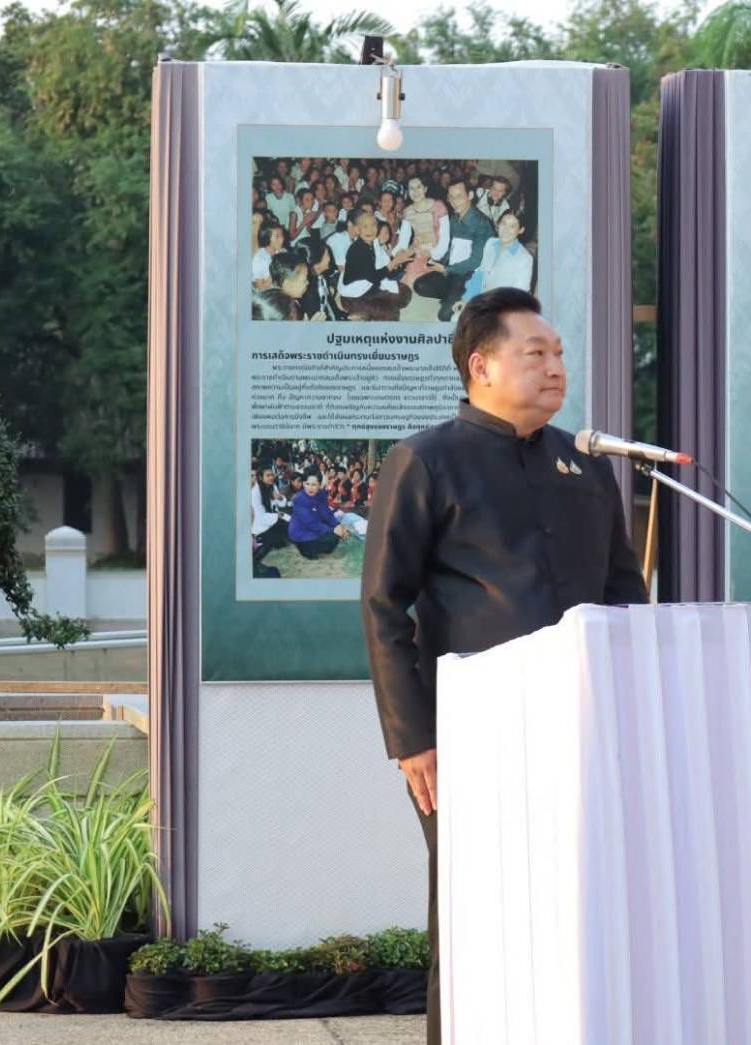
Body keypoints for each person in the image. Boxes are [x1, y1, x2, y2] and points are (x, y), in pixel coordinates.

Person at [362, 287, 647, 1045]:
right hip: (469, 734)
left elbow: (623, 592)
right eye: (536, 354)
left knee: (574, 907)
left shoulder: (583, 466)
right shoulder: (425, 460)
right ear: (480, 364)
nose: (556, 368)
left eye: (558, 354)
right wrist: (412, 738)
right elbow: (383, 606)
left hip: (581, 727)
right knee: (473, 913)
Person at [415, 182, 496, 321]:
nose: (454, 201)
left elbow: (476, 261)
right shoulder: (454, 218)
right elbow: (450, 247)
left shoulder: (480, 222)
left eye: (458, 196)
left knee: (445, 315)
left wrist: (447, 269)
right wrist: (437, 260)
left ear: (470, 196)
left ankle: (464, 297)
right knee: (420, 286)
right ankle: (453, 296)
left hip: (468, 276)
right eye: (451, 197)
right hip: (451, 272)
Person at [341, 212, 414, 321]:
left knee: (405, 293)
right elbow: (374, 277)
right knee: (392, 314)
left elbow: (383, 269)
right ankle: (359, 311)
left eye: (373, 225)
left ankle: (372, 310)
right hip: (354, 296)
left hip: (371, 286)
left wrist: (397, 264)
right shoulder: (358, 249)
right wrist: (394, 263)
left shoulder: (373, 243)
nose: (370, 230)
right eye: (365, 226)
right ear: (357, 229)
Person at [463, 211, 535, 302]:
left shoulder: (525, 259)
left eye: (512, 226)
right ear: (498, 224)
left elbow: (518, 297)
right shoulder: (490, 243)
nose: (505, 230)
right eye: (503, 223)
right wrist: (466, 298)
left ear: (521, 230)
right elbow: (481, 273)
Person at [288, 473, 350, 558]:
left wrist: (338, 525)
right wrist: (333, 530)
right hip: (301, 533)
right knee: (332, 537)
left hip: (315, 523)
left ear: (320, 485)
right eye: (307, 484)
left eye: (314, 484)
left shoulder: (321, 494)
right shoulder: (300, 499)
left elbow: (327, 513)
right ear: (303, 484)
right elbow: (311, 524)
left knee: (335, 536)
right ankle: (304, 549)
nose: (310, 488)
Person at [251, 467, 290, 551]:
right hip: (262, 526)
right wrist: (276, 516)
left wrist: (279, 498)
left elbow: (282, 504)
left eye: (272, 475)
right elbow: (260, 516)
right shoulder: (255, 493)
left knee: (291, 525)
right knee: (280, 542)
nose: (271, 477)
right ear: (261, 477)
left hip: (274, 518)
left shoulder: (272, 486)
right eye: (268, 475)